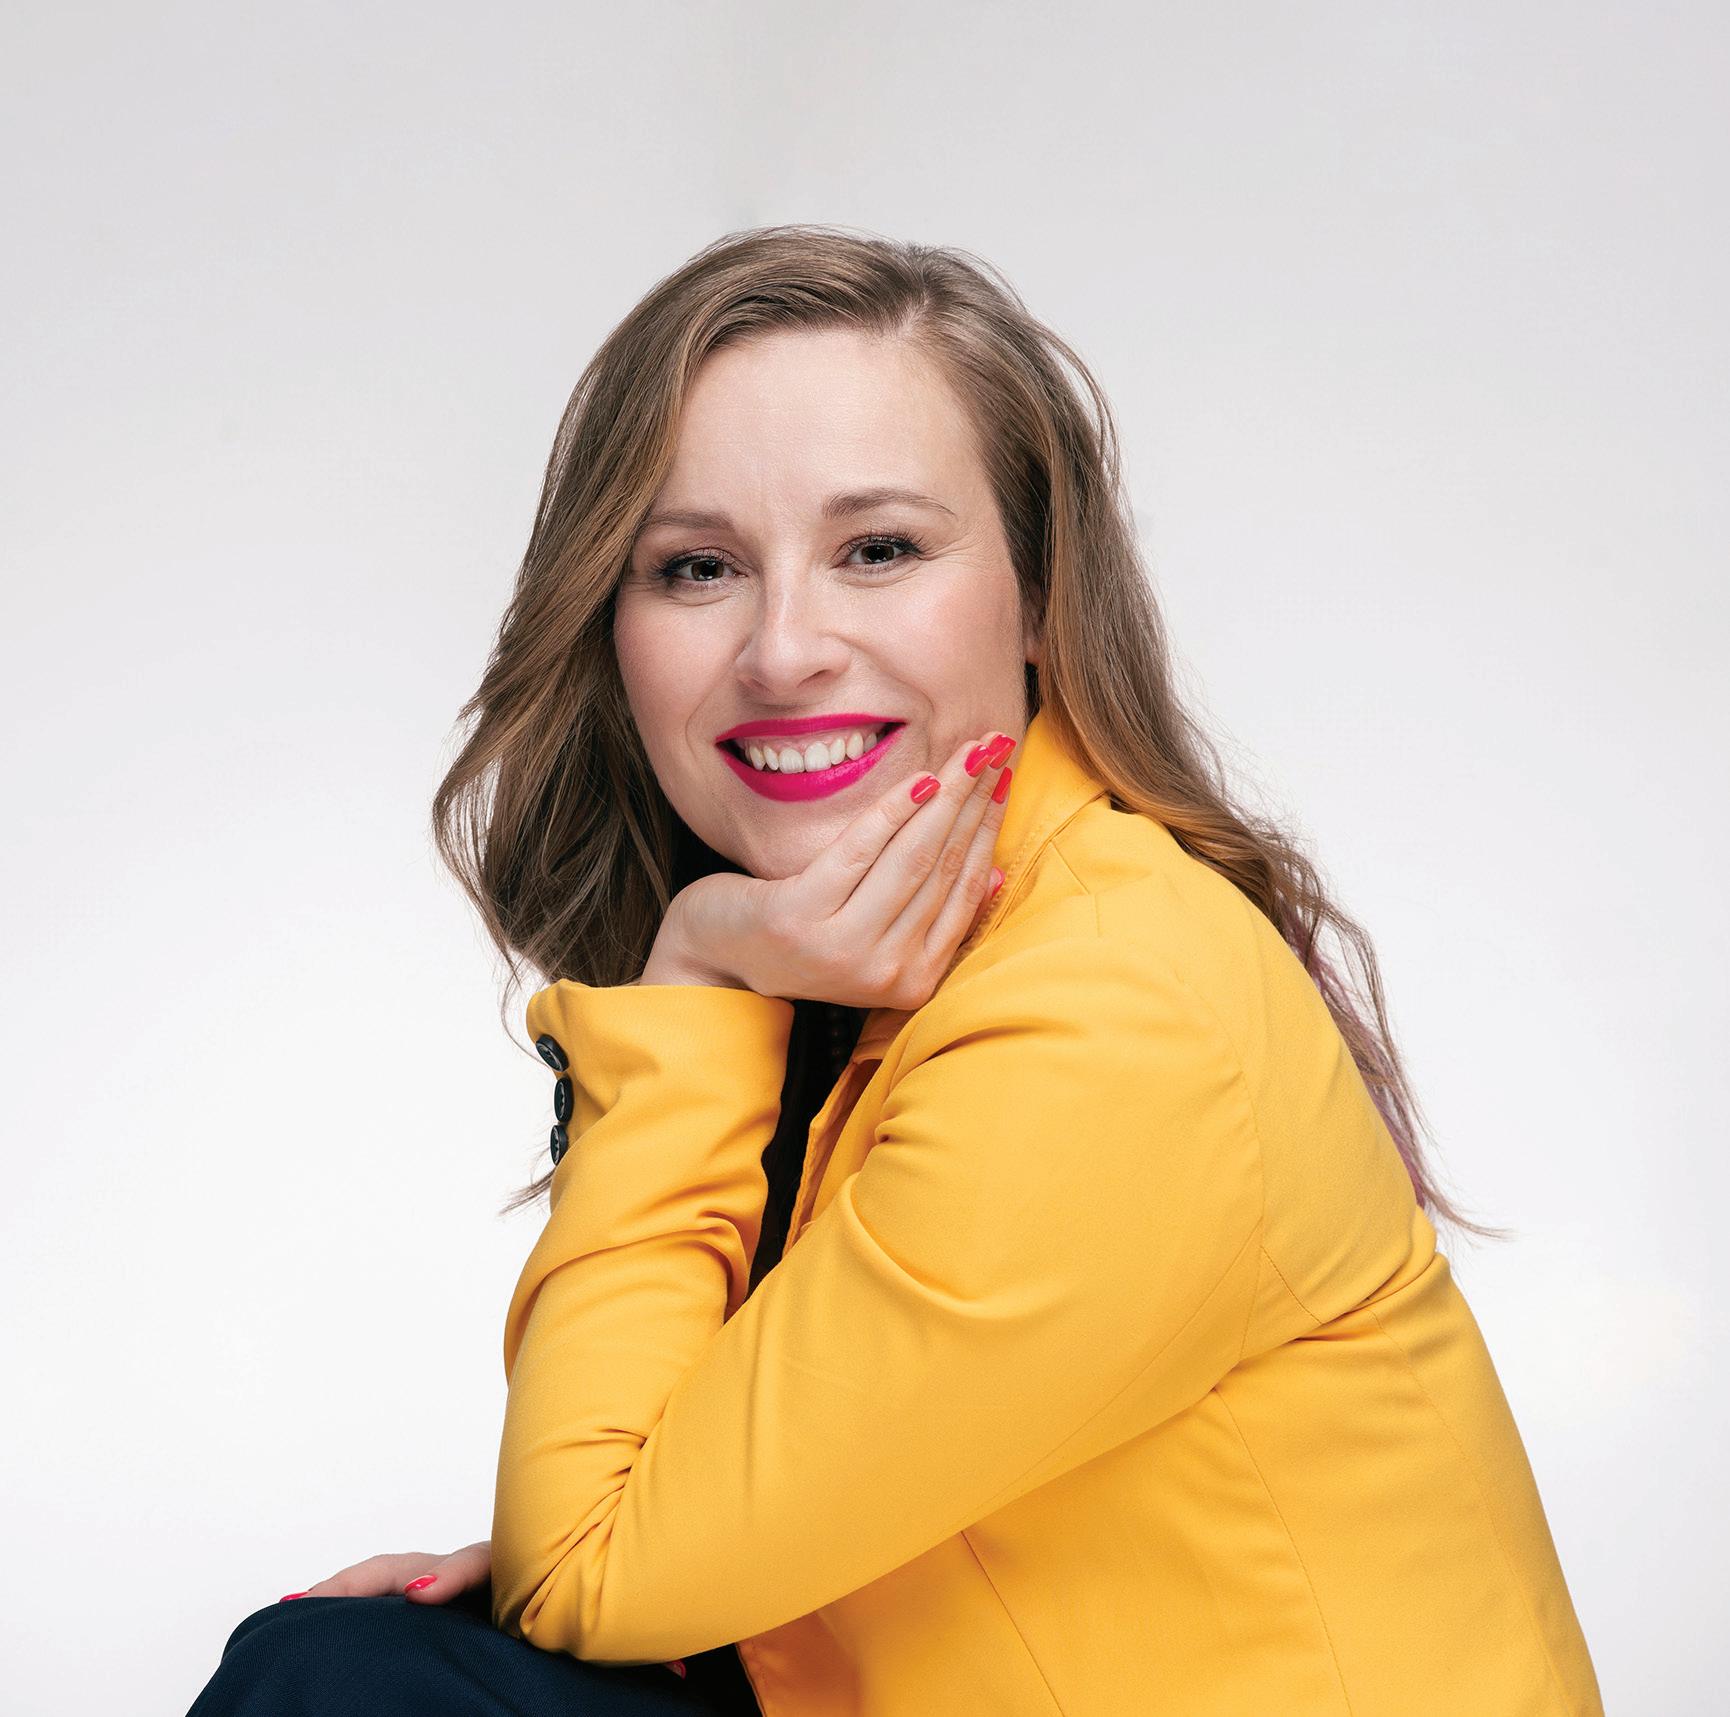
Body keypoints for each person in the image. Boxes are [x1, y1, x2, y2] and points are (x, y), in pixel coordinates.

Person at [187, 224, 1604, 1716]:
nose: (783, 650)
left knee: (347, 1689)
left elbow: (589, 1565)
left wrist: (692, 983)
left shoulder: (1107, 1011)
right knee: (349, 1668)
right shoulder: (871, 981)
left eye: (878, 550)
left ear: (1041, 598)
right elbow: (803, 1500)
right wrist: (647, 1596)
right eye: (696, 568)